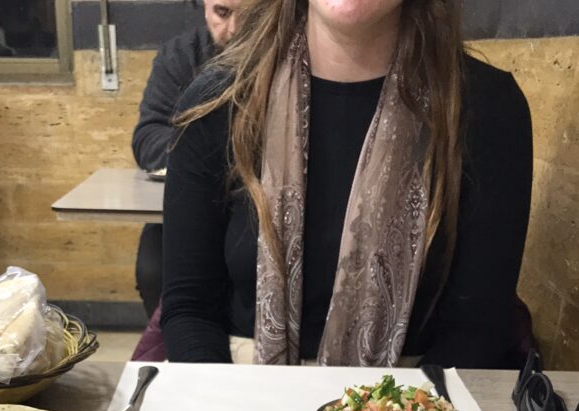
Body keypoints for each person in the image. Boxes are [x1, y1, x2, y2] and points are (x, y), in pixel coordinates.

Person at [161, 0, 533, 368]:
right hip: (240, 388)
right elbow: (190, 310)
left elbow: (478, 327)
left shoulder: (488, 108)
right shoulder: (215, 103)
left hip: (420, 401)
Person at [131, 0, 240, 319]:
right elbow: (148, 137)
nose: (233, 29)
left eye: (250, 14)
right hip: (196, 198)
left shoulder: (295, 53)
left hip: (264, 207)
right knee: (154, 267)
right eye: (222, 13)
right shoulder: (182, 55)